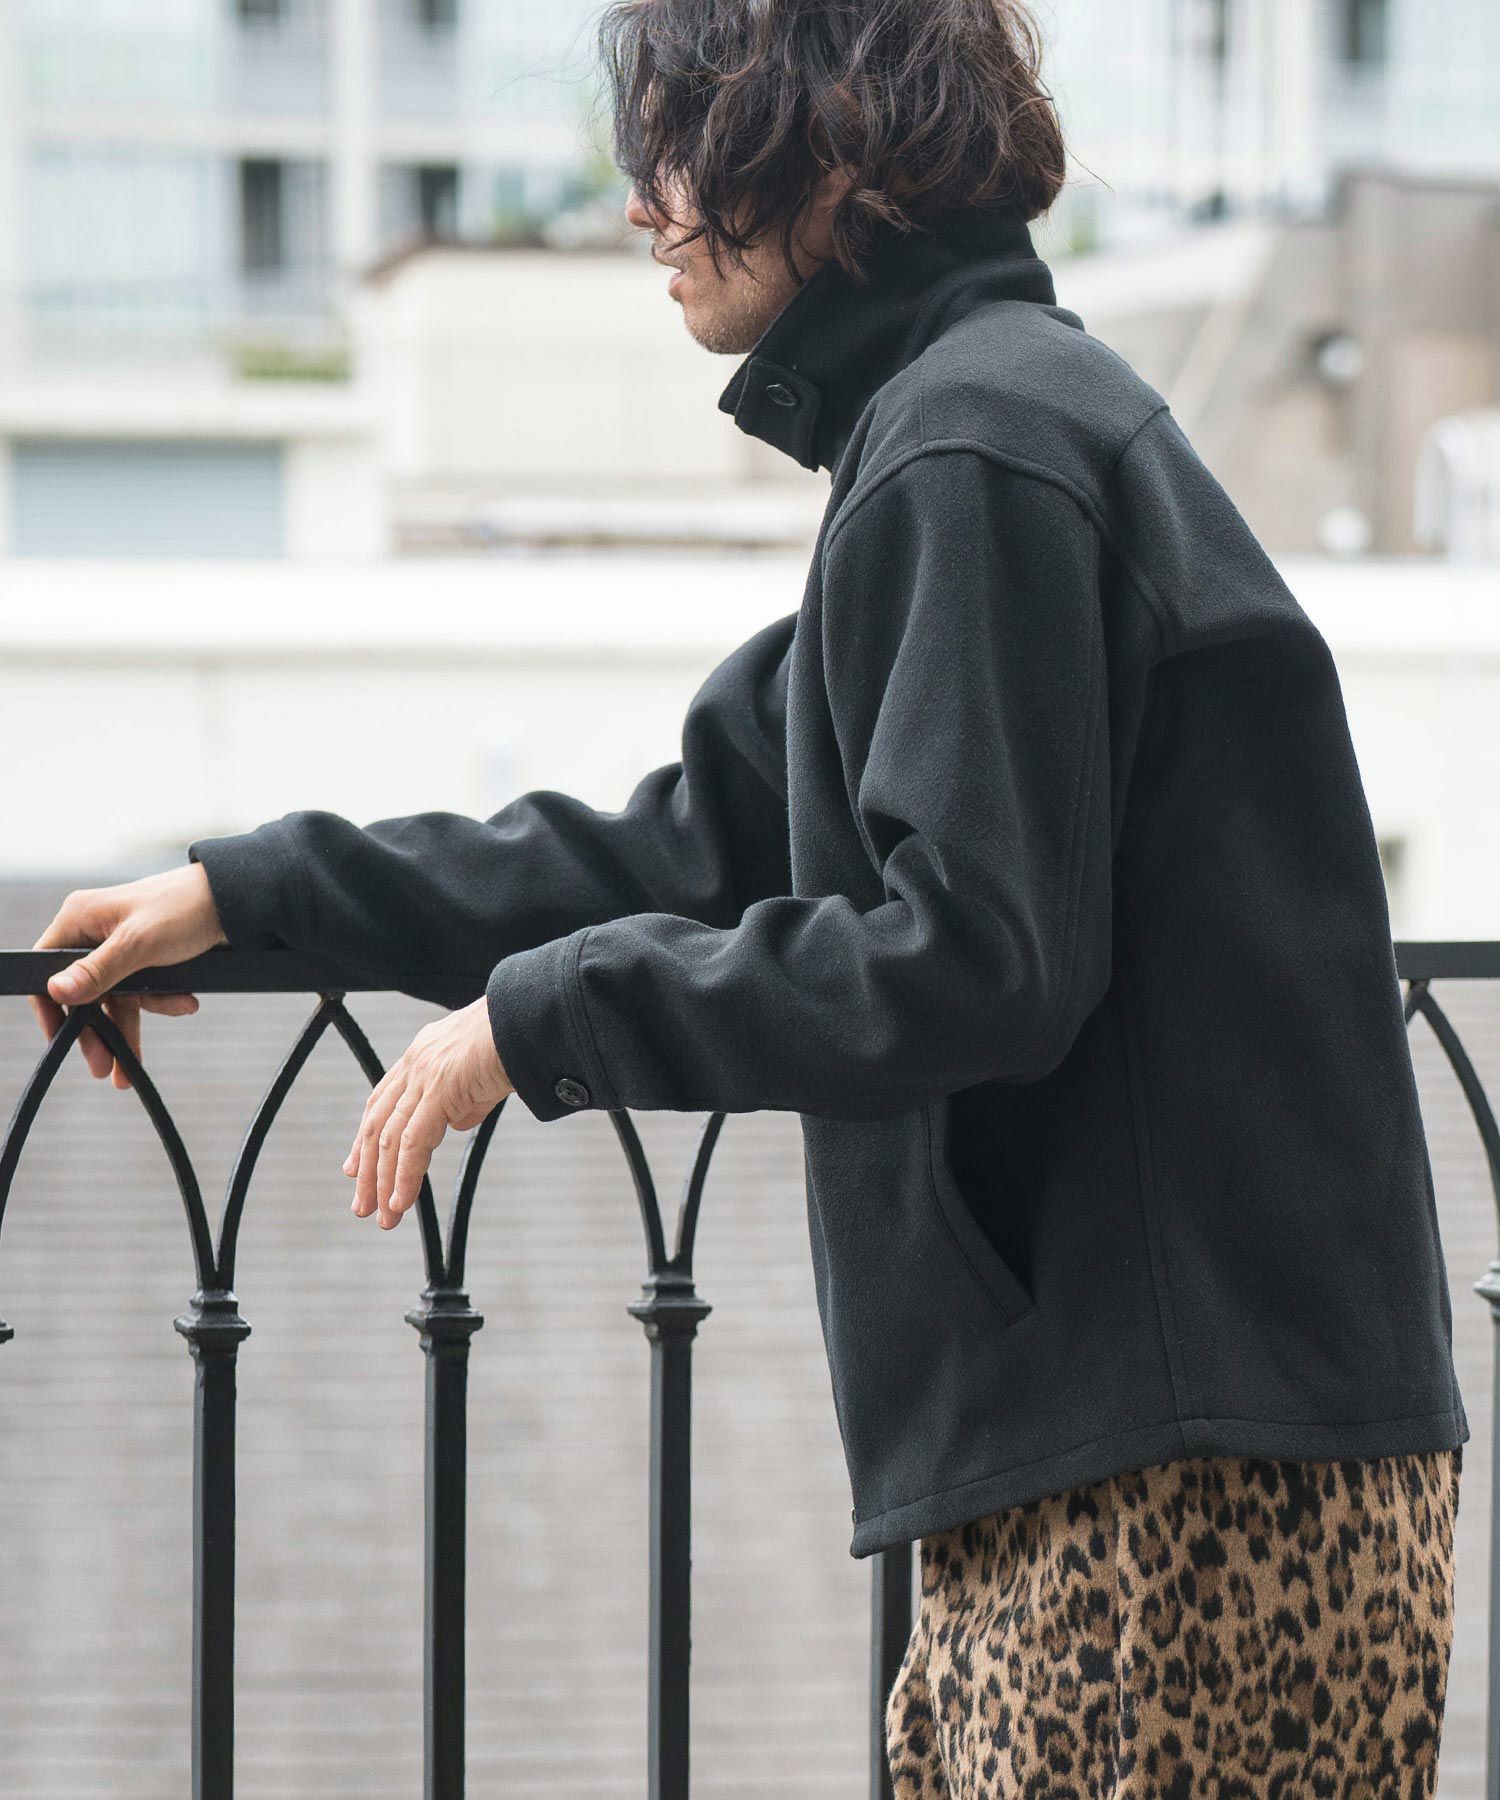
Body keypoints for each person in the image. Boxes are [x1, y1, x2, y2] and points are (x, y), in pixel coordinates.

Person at [31, 2, 1466, 1793]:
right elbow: (686, 843)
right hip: (1160, 1453)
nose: (645, 203)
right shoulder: (972, 433)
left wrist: (540, 1025)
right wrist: (246, 894)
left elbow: (979, 957)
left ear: (840, 149)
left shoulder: (978, 450)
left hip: (1177, 1488)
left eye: (686, 147)